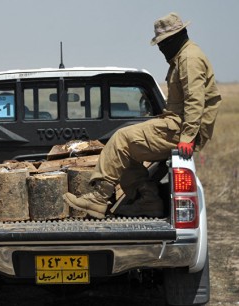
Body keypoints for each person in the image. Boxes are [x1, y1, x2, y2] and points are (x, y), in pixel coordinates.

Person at [63, 12, 222, 219]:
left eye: (162, 43)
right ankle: (148, 201)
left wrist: (187, 137)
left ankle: (98, 198)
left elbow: (195, 100)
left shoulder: (189, 59)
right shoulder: (182, 57)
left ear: (174, 38)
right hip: (177, 124)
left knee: (122, 139)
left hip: (182, 128)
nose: (160, 48)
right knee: (128, 151)